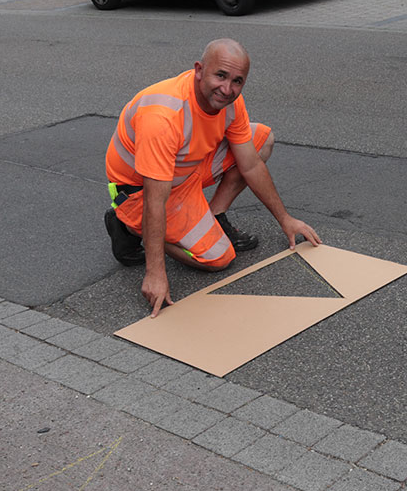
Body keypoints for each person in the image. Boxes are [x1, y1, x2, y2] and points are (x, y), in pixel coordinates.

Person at [104, 38, 320, 317]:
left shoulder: (231, 102)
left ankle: (214, 215)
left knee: (260, 141)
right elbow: (156, 200)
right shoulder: (163, 116)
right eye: (220, 75)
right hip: (142, 192)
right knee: (219, 257)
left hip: (185, 168)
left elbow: (251, 165)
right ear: (198, 70)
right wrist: (155, 273)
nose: (227, 89)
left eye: (237, 81)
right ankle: (129, 227)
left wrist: (285, 218)